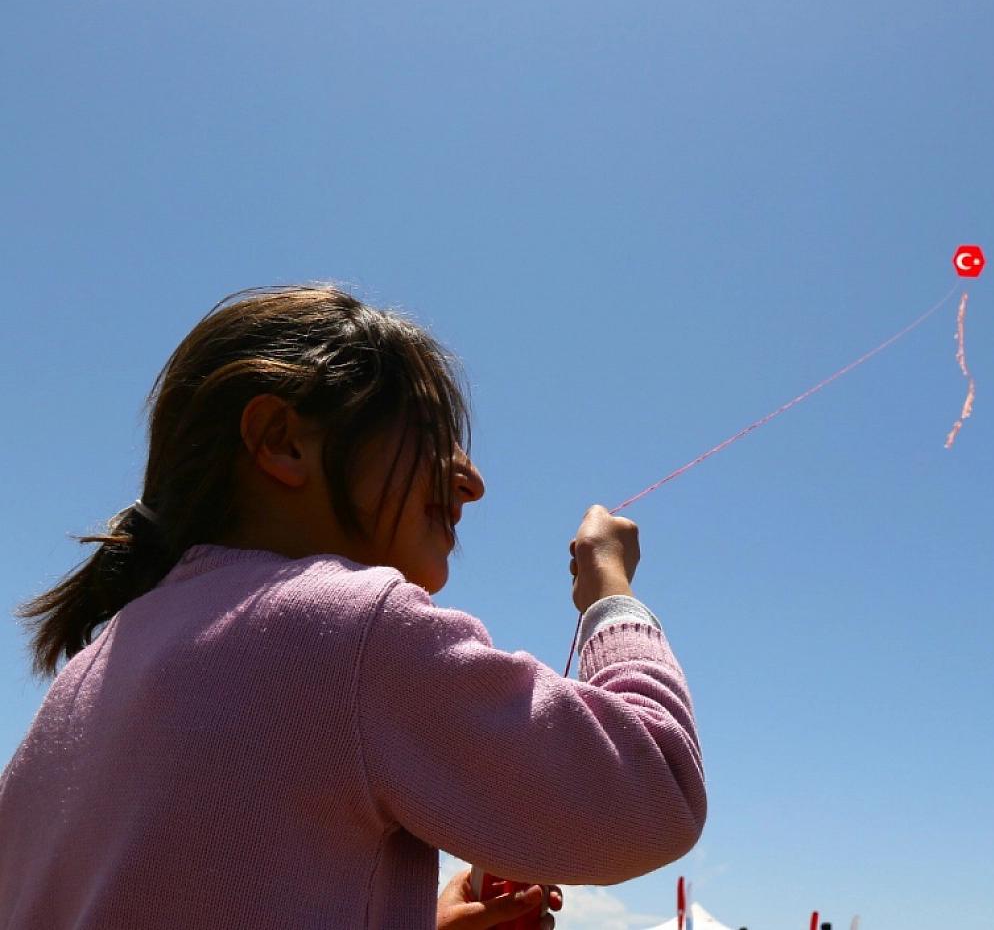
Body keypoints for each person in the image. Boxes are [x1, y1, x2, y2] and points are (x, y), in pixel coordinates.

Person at [0, 285, 706, 929]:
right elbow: (656, 790)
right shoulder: (344, 626)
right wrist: (609, 594)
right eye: (433, 432)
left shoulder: (84, 680)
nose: (472, 481)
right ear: (282, 441)